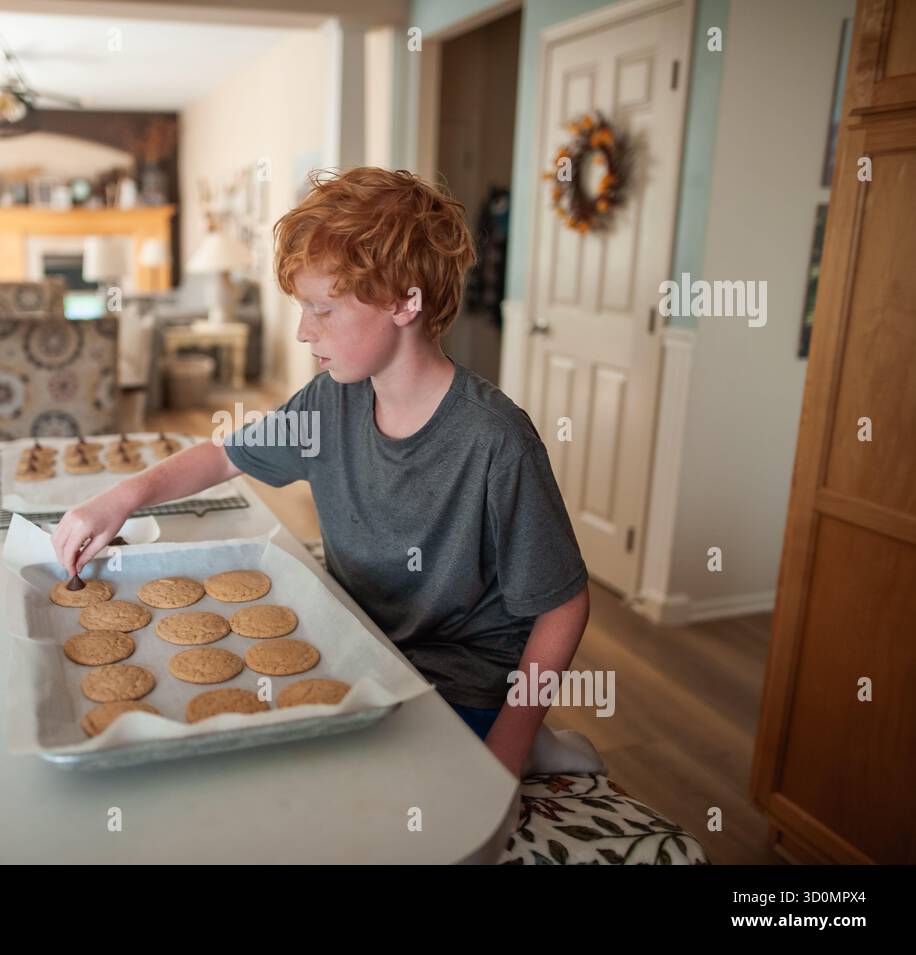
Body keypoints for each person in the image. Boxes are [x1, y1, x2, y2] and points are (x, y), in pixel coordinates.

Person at [52, 167, 590, 779]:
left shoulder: (496, 441)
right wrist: (121, 497)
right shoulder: (328, 402)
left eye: (323, 309)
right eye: (302, 308)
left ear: (405, 301)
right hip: (358, 642)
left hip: (456, 673)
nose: (305, 331)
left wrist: (508, 754)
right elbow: (226, 455)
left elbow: (562, 607)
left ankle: (529, 743)